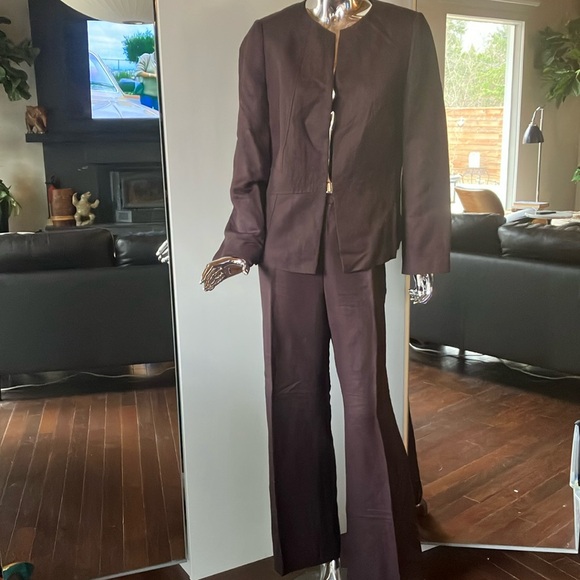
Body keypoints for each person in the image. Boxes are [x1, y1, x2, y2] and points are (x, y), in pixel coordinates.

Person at [199, 1, 451, 578]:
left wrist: (424, 250)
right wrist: (242, 241)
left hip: (362, 238)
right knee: (292, 397)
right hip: (285, 242)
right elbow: (252, 146)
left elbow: (424, 144)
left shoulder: (405, 33)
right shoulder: (268, 37)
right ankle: (314, 551)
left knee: (365, 401)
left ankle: (377, 561)